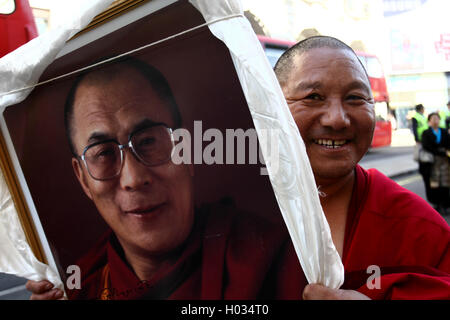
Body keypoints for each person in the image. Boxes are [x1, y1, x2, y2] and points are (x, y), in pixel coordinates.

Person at [26, 56, 292, 300]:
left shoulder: (269, 261)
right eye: (104, 153)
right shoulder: (75, 289)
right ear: (83, 179)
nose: (133, 178)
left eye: (149, 141)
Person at [274, 35, 450, 299]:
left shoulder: (419, 227)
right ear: (271, 106)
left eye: (355, 98)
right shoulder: (232, 217)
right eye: (313, 96)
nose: (337, 119)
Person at [421, 113, 450, 215]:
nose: (435, 121)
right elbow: (426, 146)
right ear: (429, 121)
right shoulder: (426, 133)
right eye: (433, 119)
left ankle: (446, 204)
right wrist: (441, 152)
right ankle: (437, 204)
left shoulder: (444, 131)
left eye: (437, 118)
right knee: (435, 183)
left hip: (445, 161)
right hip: (432, 162)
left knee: (445, 182)